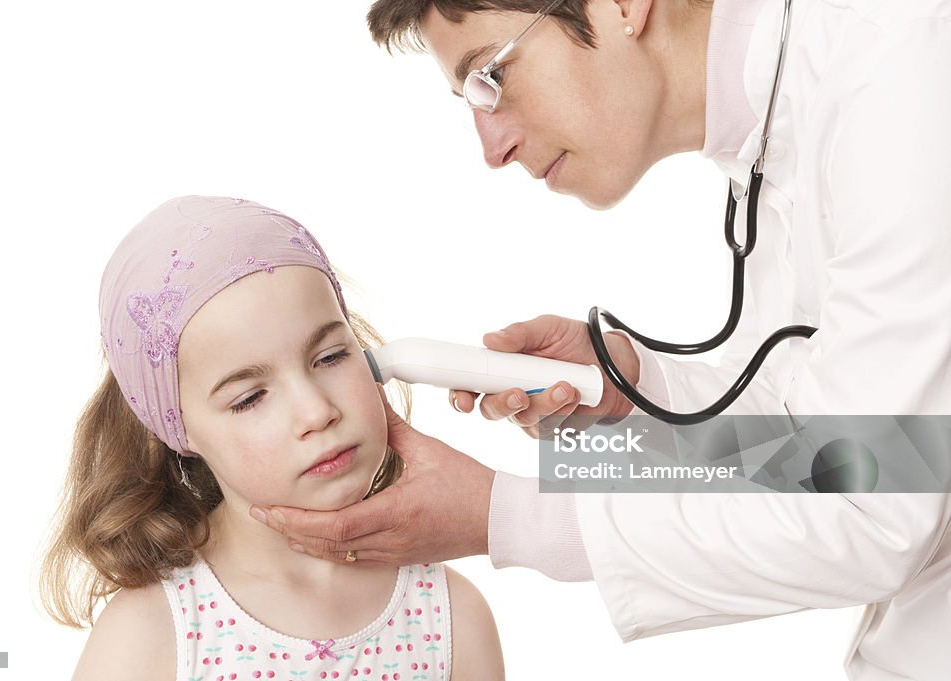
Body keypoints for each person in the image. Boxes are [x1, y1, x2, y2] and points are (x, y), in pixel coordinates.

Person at [245, 1, 951, 678]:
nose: (492, 148)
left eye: (491, 76)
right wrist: (634, 398)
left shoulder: (900, 69)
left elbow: (871, 503)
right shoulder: (785, 121)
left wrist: (501, 517)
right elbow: (816, 443)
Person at [39, 196, 504, 681]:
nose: (317, 412)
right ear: (176, 428)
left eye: (329, 358)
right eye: (249, 398)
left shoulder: (451, 617)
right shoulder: (148, 635)